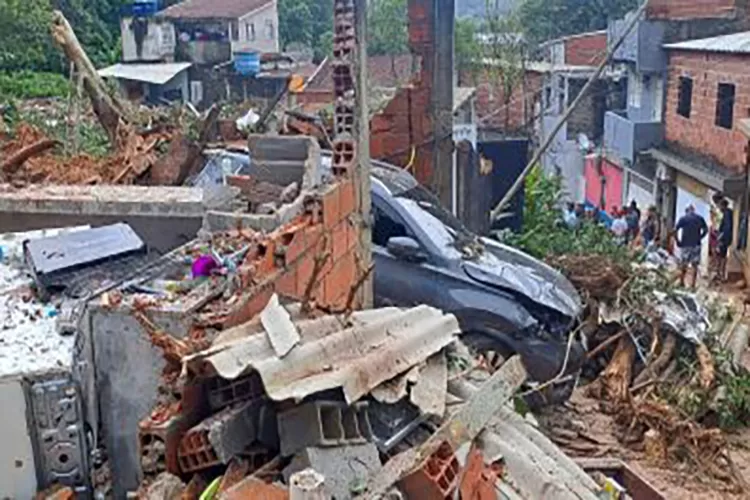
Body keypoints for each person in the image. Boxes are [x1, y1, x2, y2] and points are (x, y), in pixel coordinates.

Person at [674, 205, 708, 290]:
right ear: (693, 210)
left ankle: (682, 282)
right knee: (695, 265)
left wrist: (678, 240)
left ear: (687, 211)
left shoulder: (683, 219)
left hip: (685, 244)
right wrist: (700, 237)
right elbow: (706, 230)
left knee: (683, 263)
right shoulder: (700, 218)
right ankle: (692, 285)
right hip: (696, 244)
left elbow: (675, 230)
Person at [716, 198, 734, 282]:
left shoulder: (727, 213)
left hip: (725, 239)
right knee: (721, 256)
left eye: (719, 206)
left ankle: (721, 274)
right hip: (726, 238)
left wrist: (721, 237)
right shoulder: (728, 213)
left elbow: (727, 227)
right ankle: (720, 273)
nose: (719, 207)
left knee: (721, 256)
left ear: (723, 206)